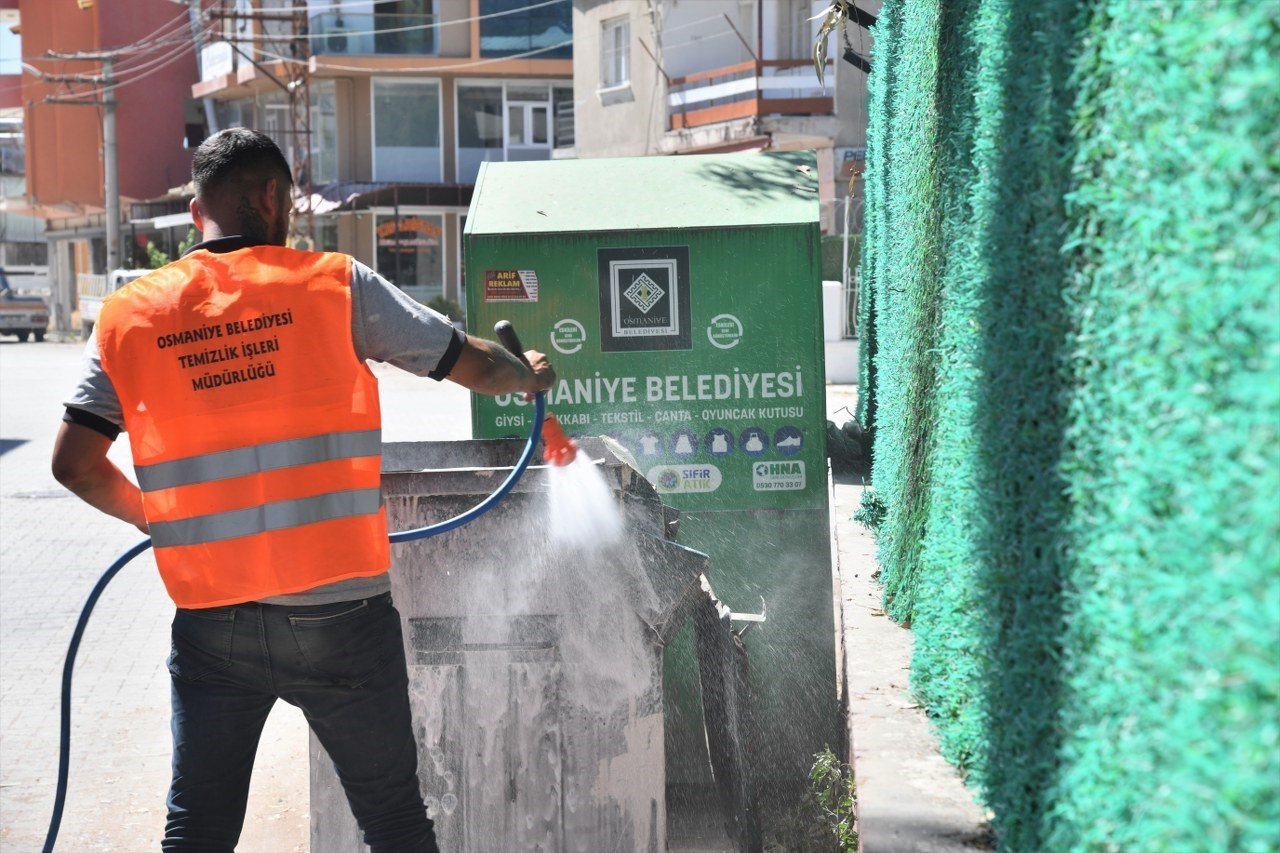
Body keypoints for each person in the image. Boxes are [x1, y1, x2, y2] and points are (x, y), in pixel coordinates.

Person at [51, 128, 555, 852]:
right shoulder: (333, 284)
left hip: (213, 617)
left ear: (198, 215)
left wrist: (156, 519)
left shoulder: (129, 315)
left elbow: (74, 462)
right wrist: (526, 372)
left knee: (197, 830)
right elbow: (468, 363)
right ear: (273, 198)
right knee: (393, 822)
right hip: (341, 613)